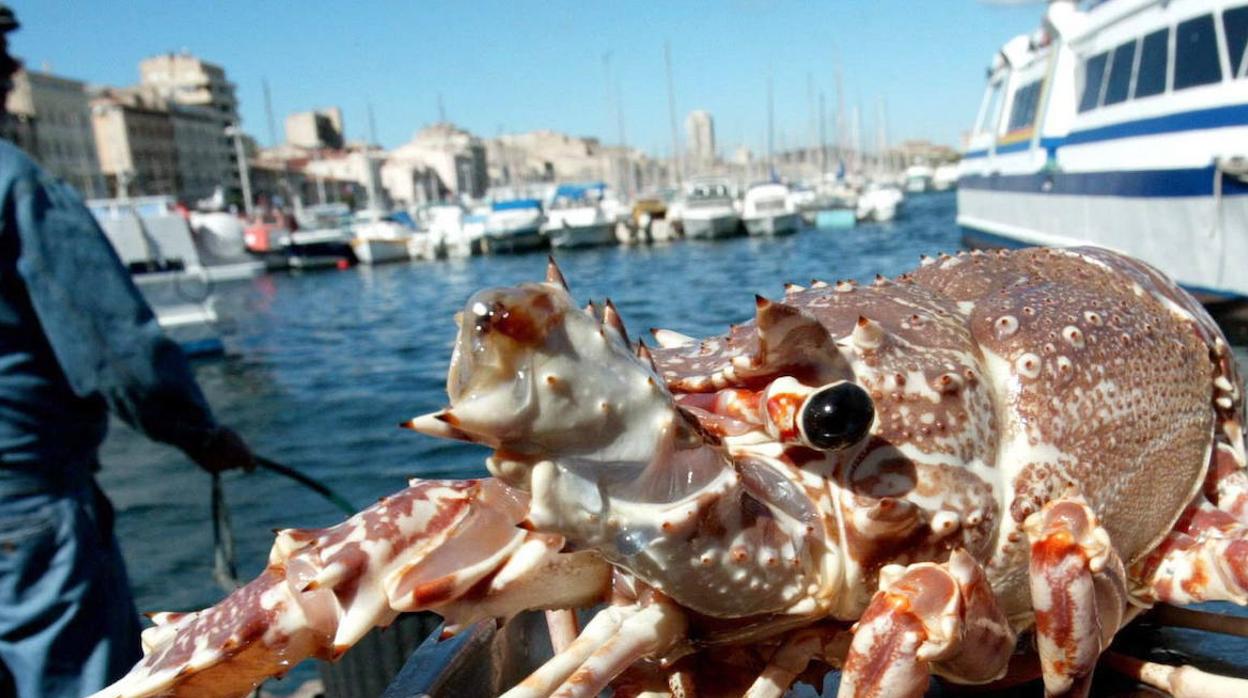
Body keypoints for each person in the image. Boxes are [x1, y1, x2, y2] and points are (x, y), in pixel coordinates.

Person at [0, 7, 256, 696]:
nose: (14, 69)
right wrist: (201, 435)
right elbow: (118, 356)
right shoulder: (18, 188)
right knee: (74, 678)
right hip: (22, 501)